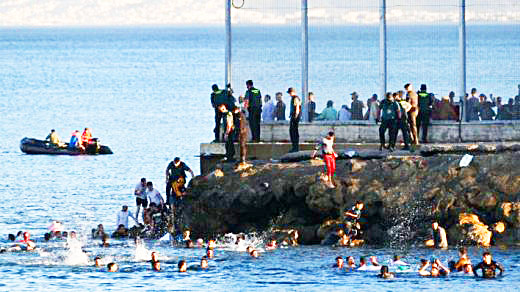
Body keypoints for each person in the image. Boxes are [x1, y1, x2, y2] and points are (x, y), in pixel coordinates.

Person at [288, 87, 301, 152]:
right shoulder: (294, 98)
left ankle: (295, 147)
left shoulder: (295, 98)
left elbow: (297, 107)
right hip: (294, 116)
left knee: (293, 131)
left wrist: (296, 115)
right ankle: (294, 147)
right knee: (292, 131)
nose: (289, 94)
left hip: (295, 117)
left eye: (290, 93)